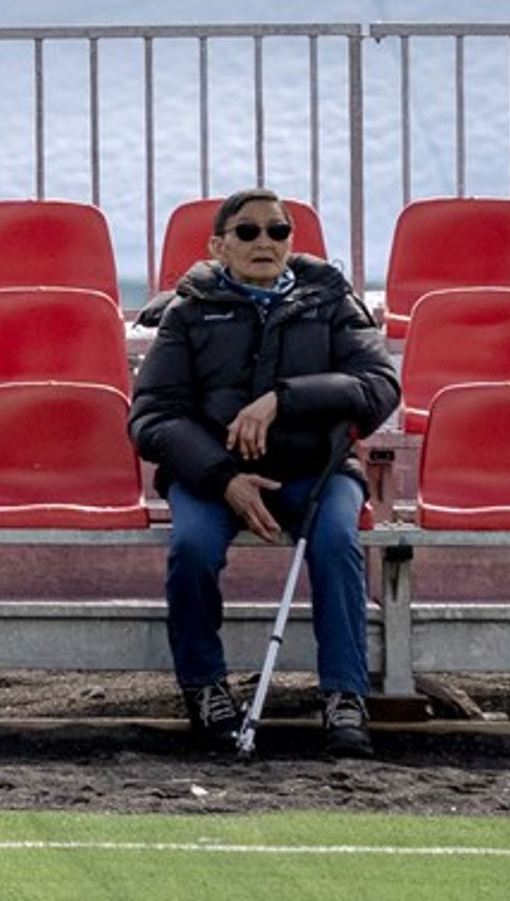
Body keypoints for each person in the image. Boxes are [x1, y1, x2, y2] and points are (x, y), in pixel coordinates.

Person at [130, 186, 397, 758]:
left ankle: (345, 697)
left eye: (278, 231)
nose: (265, 242)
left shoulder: (329, 298)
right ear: (218, 246)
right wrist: (223, 476)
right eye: (247, 231)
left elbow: (379, 387)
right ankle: (204, 687)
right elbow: (152, 417)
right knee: (193, 550)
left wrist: (284, 399)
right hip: (213, 477)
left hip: (316, 470)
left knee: (336, 543)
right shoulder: (188, 311)